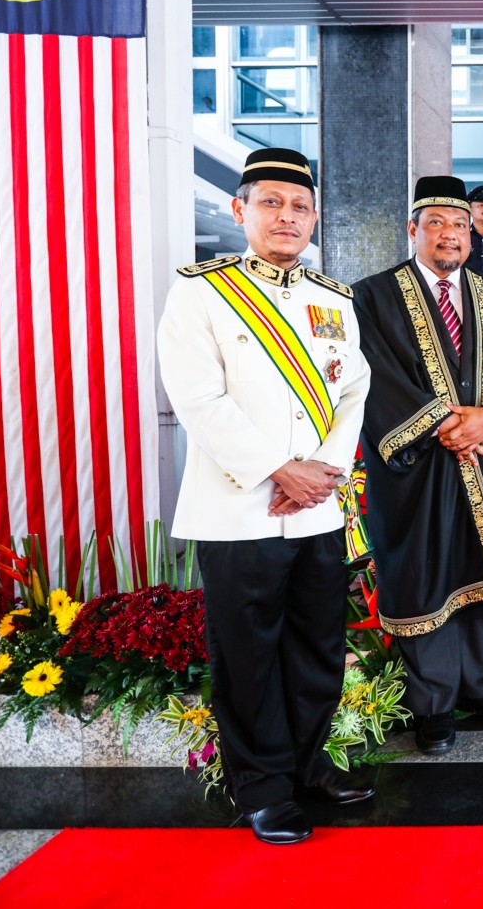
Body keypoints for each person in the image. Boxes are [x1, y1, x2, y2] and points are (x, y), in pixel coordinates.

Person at [157, 148, 374, 844]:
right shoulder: (201, 292)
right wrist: (279, 469)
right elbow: (199, 399)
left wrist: (323, 471)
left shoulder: (333, 299)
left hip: (315, 507)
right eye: (272, 202)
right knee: (247, 655)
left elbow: (354, 391)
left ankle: (309, 766)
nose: (287, 216)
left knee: (317, 645)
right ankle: (263, 787)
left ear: (314, 217)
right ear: (240, 208)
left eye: (300, 206)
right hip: (238, 507)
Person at [351, 176, 483, 755]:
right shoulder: (372, 297)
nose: (449, 234)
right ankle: (434, 703)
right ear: (412, 229)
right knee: (428, 573)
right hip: (418, 468)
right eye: (436, 223)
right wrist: (446, 425)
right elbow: (373, 376)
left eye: (459, 224)